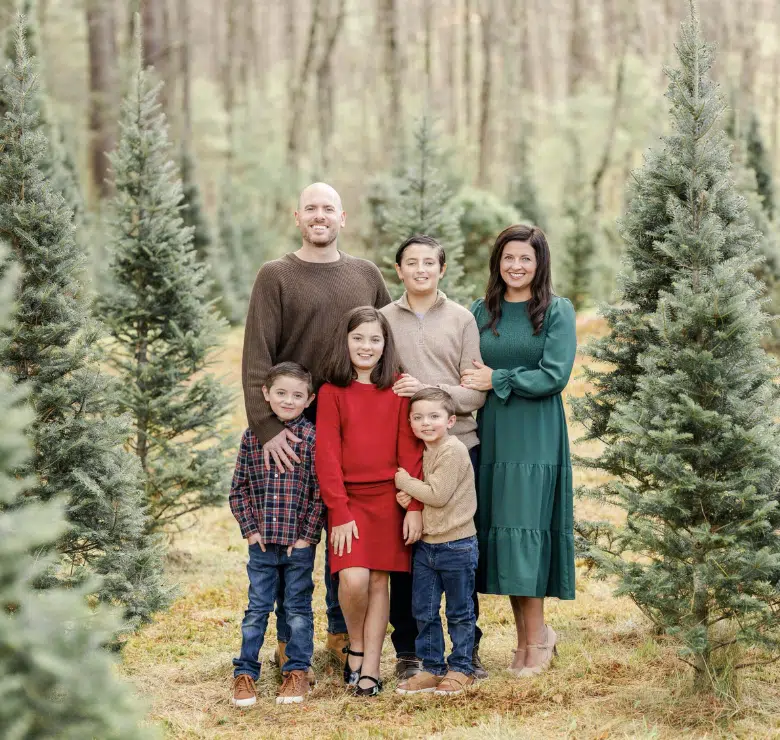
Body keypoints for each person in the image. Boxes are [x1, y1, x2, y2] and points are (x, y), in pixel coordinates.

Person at [242, 182, 392, 672]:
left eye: (328, 208)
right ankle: (290, 637)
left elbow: (387, 335)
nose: (319, 216)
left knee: (344, 525)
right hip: (293, 425)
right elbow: (257, 355)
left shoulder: (366, 274)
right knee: (293, 535)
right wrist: (267, 428)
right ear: (297, 217)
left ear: (343, 218)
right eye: (311, 208)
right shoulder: (275, 275)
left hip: (355, 420)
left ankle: (340, 630)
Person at [462, 224, 576, 677]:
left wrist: (498, 378)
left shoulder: (556, 311)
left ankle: (538, 638)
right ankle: (527, 639)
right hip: (492, 430)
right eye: (508, 257)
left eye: (525, 258)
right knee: (506, 534)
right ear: (498, 262)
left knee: (527, 529)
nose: (516, 266)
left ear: (539, 263)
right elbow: (467, 367)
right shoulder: (481, 310)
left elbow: (554, 375)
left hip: (535, 432)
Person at [381, 234, 488, 679]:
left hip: (458, 448)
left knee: (457, 548)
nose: (420, 269)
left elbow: (475, 393)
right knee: (409, 553)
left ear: (442, 269)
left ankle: (467, 650)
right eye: (412, 262)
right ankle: (410, 651)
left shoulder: (462, 319)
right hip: (405, 451)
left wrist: (428, 389)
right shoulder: (385, 319)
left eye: (429, 262)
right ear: (399, 270)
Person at [315, 306, 424, 697]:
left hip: (389, 499)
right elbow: (327, 455)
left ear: (385, 344)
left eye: (375, 339)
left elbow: (410, 452)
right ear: (345, 342)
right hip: (348, 502)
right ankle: (356, 646)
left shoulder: (397, 389)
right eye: (358, 338)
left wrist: (414, 507)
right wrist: (339, 511)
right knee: (353, 579)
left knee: (379, 581)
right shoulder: (332, 392)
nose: (366, 346)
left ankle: (371, 670)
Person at [230, 362, 325, 707]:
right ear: (266, 394)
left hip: (298, 545)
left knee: (297, 608)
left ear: (309, 399)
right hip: (262, 544)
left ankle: (296, 670)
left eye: (297, 395)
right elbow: (238, 490)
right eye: (281, 393)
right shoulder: (252, 437)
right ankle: (245, 673)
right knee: (257, 609)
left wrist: (307, 537)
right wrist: (250, 531)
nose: (288, 400)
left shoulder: (313, 438)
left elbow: (319, 494)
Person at [394, 388, 479, 696]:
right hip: (426, 545)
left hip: (457, 545)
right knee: (424, 610)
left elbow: (438, 495)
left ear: (451, 421)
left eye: (434, 416)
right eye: (418, 417)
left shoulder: (452, 450)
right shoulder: (423, 450)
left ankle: (462, 668)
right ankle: (432, 668)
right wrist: (410, 497)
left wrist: (405, 483)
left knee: (459, 611)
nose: (426, 423)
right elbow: (426, 493)